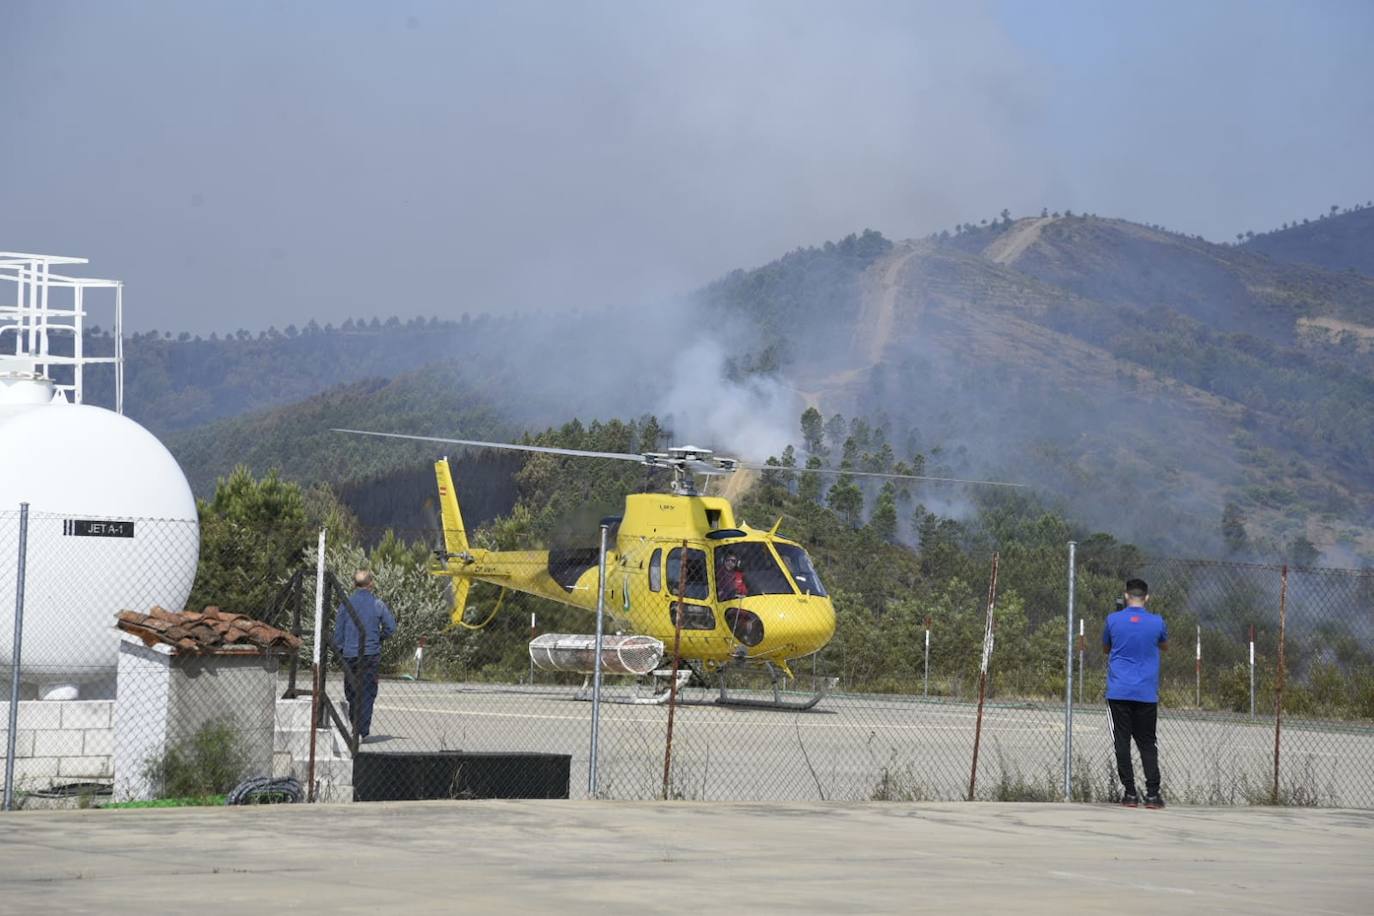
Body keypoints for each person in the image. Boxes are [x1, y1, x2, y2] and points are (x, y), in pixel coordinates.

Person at [1102, 577, 1169, 808]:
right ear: (1146, 597)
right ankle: (1153, 794)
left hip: (1119, 690)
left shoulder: (1112, 620)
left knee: (1122, 741)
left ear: (1126, 595)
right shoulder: (1157, 622)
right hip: (1146, 692)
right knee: (1147, 742)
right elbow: (1164, 645)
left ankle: (1130, 793)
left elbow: (1105, 647)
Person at [333, 569, 397, 742]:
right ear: (371, 584)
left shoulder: (346, 604)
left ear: (354, 585)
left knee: (352, 691)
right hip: (370, 654)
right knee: (368, 691)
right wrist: (378, 638)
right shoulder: (377, 604)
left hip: (350, 654)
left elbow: (338, 632)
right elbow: (391, 628)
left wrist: (339, 651)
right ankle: (361, 730)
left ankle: (353, 724)